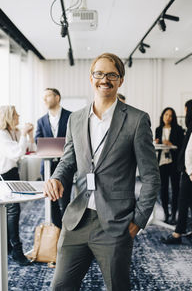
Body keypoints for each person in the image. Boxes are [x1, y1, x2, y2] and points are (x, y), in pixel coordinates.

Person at [44, 53, 161, 291]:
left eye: (111, 74)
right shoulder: (76, 119)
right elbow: (68, 160)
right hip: (77, 220)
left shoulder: (137, 120)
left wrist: (138, 221)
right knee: (60, 287)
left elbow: (151, 177)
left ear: (120, 80)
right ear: (91, 78)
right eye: (99, 73)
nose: (104, 79)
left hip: (116, 223)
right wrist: (56, 177)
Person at [0, 105, 35, 265]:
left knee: (12, 212)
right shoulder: (0, 135)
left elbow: (30, 149)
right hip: (2, 177)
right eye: (16, 114)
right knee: (13, 211)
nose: (19, 116)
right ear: (9, 116)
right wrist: (23, 135)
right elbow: (17, 153)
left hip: (12, 175)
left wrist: (28, 136)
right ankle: (16, 251)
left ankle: (8, 248)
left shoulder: (14, 132)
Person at [35, 88, 72, 229]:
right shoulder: (41, 121)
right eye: (43, 97)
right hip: (48, 166)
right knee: (51, 201)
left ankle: (67, 230)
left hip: (65, 165)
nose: (44, 99)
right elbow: (38, 140)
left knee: (65, 199)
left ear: (57, 98)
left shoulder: (71, 117)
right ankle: (56, 230)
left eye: (47, 96)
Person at [161, 99, 192, 244]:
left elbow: (188, 152)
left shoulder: (187, 128)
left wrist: (190, 172)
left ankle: (177, 234)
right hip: (182, 169)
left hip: (188, 171)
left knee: (182, 200)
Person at [155, 107, 184, 224]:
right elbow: (156, 144)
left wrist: (171, 144)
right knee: (163, 189)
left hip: (174, 162)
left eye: (170, 115)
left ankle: (174, 213)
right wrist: (156, 142)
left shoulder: (178, 129)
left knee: (175, 188)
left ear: (173, 118)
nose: (168, 117)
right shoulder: (158, 129)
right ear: (162, 116)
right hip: (162, 162)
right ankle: (166, 213)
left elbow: (182, 147)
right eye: (166, 115)